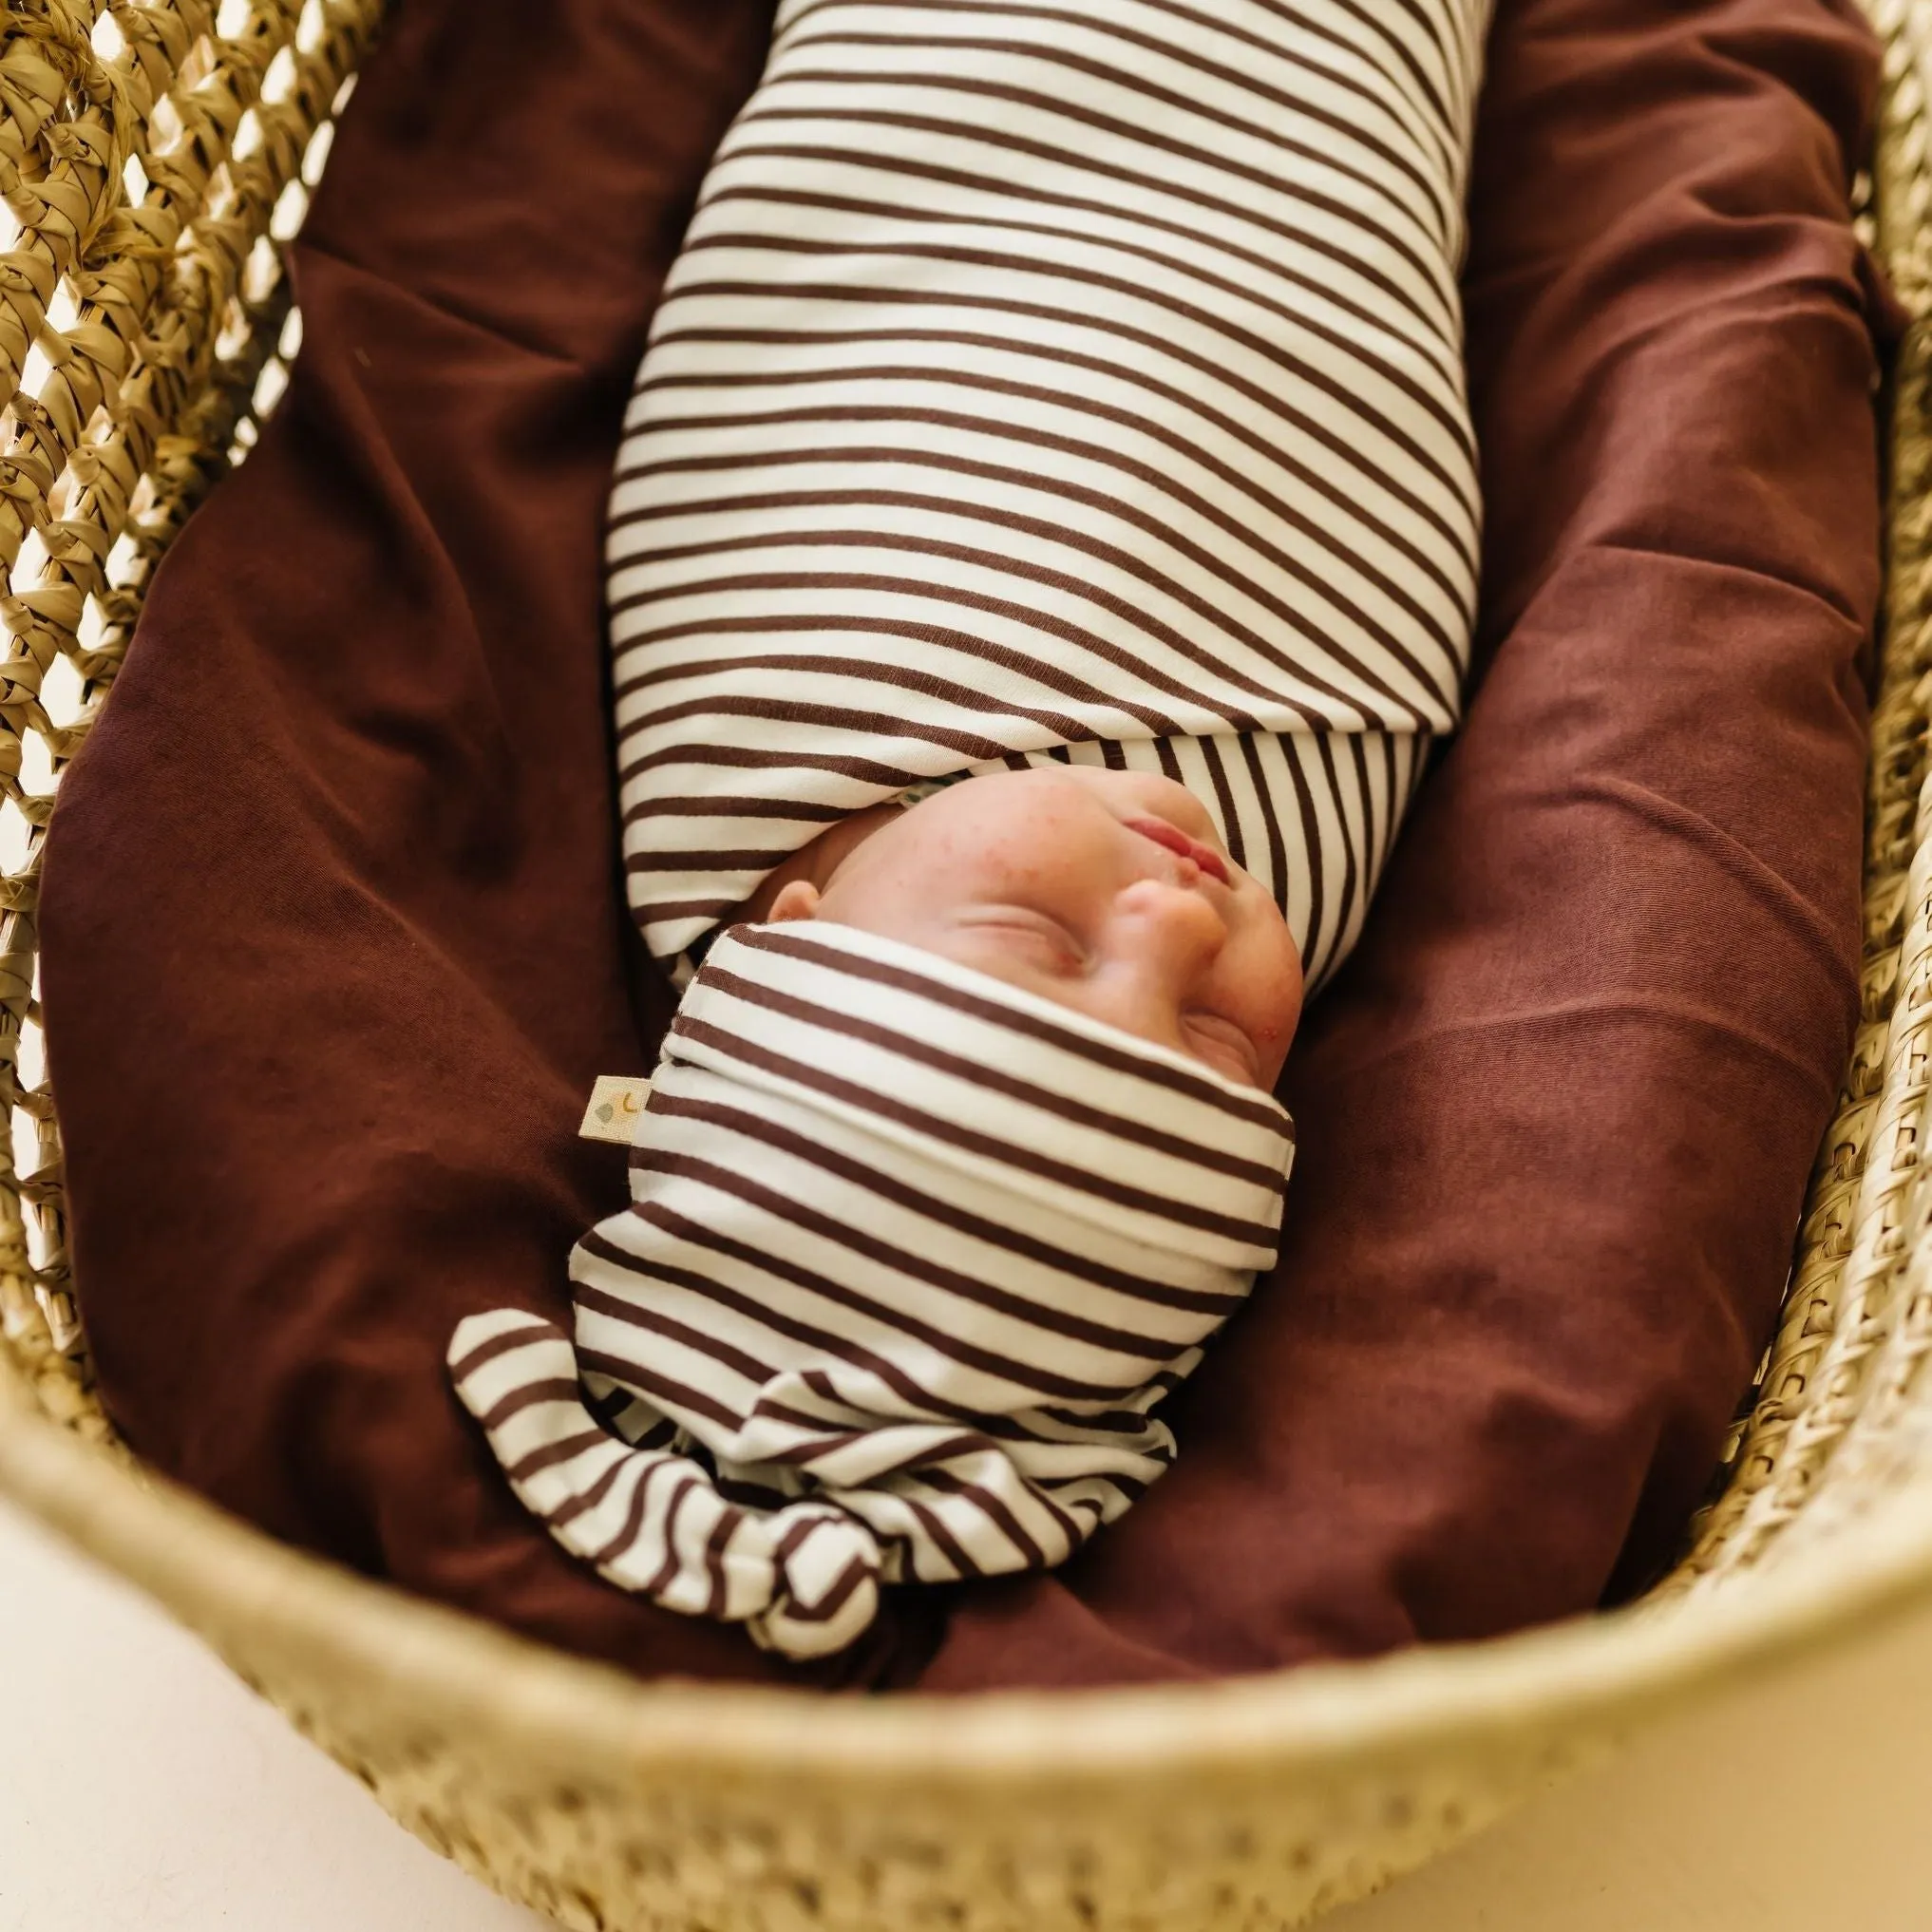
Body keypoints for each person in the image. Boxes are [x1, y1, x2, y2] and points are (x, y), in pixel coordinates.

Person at [451, 0, 1485, 1657]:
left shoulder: (748, 746)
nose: (1174, 926)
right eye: (1220, 1050)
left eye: (1032, 945)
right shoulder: (1302, 854)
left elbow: (789, 360)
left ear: (785, 925)